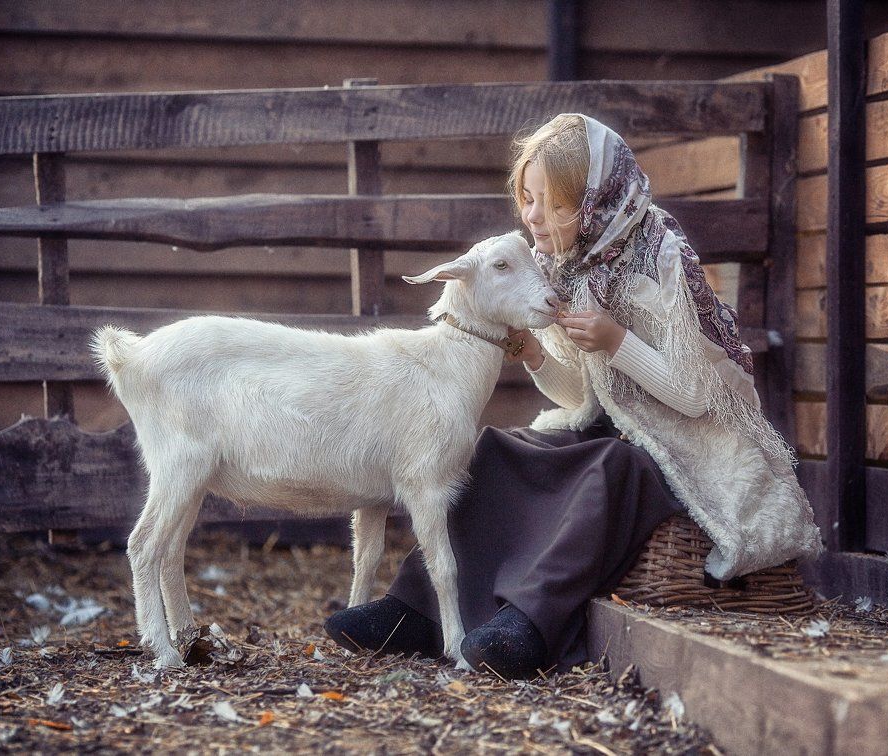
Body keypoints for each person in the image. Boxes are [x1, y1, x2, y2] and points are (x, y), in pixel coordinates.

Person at [324, 114, 823, 680]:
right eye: (527, 198)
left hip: (682, 446)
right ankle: (416, 608)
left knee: (606, 468)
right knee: (496, 451)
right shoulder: (571, 260)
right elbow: (581, 391)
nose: (533, 216)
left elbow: (698, 395)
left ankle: (530, 623)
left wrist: (617, 341)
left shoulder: (662, 258)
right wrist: (538, 357)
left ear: (592, 199)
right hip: (610, 427)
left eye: (551, 203)